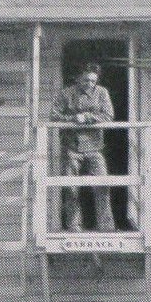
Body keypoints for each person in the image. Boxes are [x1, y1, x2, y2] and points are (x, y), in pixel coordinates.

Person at [48, 63, 117, 233]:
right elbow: (54, 116)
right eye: (86, 80)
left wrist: (88, 117)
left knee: (102, 184)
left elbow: (108, 116)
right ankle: (73, 225)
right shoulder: (66, 94)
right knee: (71, 187)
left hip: (95, 147)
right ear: (78, 78)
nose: (89, 84)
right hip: (71, 147)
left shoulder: (102, 93)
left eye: (93, 81)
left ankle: (106, 226)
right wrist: (72, 118)